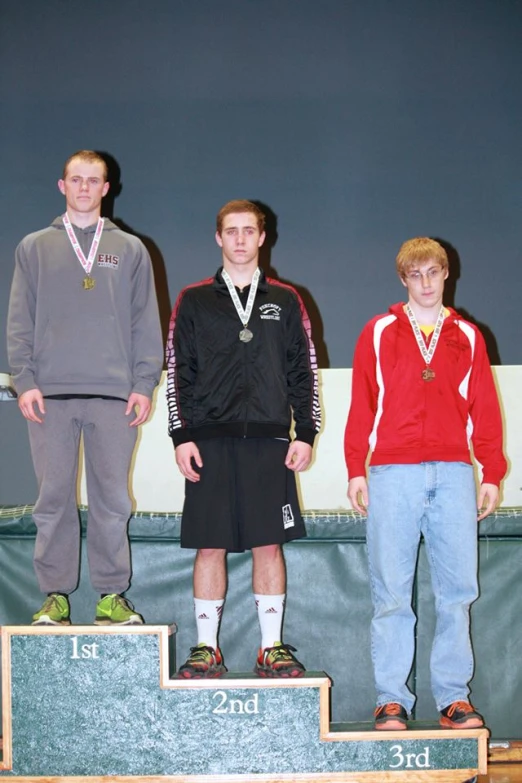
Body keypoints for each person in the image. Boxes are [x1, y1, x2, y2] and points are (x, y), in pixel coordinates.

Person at [344, 237, 506, 731]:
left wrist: (492, 472)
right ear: (403, 280)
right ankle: (392, 699)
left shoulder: (468, 336)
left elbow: (484, 408)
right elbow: (362, 403)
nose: (426, 283)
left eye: (434, 273)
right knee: (392, 593)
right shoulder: (379, 331)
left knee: (457, 591)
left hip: (455, 473)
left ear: (447, 274)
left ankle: (454, 699)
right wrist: (355, 468)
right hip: (392, 473)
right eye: (416, 275)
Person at [7, 150, 163, 626]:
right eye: (76, 180)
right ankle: (55, 595)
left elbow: (146, 322)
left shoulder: (131, 249)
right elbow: (19, 320)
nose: (84, 188)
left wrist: (143, 383)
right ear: (62, 186)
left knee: (112, 499)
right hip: (49, 395)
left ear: (106, 188)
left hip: (115, 396)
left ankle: (111, 596)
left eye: (93, 181)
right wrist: (25, 380)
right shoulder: (34, 246)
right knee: (52, 499)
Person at [166, 199, 321, 678]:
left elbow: (304, 371)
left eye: (247, 230)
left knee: (267, 544)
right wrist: (180, 435)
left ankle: (270, 647)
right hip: (208, 440)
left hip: (271, 440)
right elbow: (178, 371)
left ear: (262, 236)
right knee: (209, 545)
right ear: (218, 238)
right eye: (230, 231)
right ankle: (206, 648)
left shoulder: (287, 299)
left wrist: (307, 432)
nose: (239, 239)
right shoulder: (193, 300)